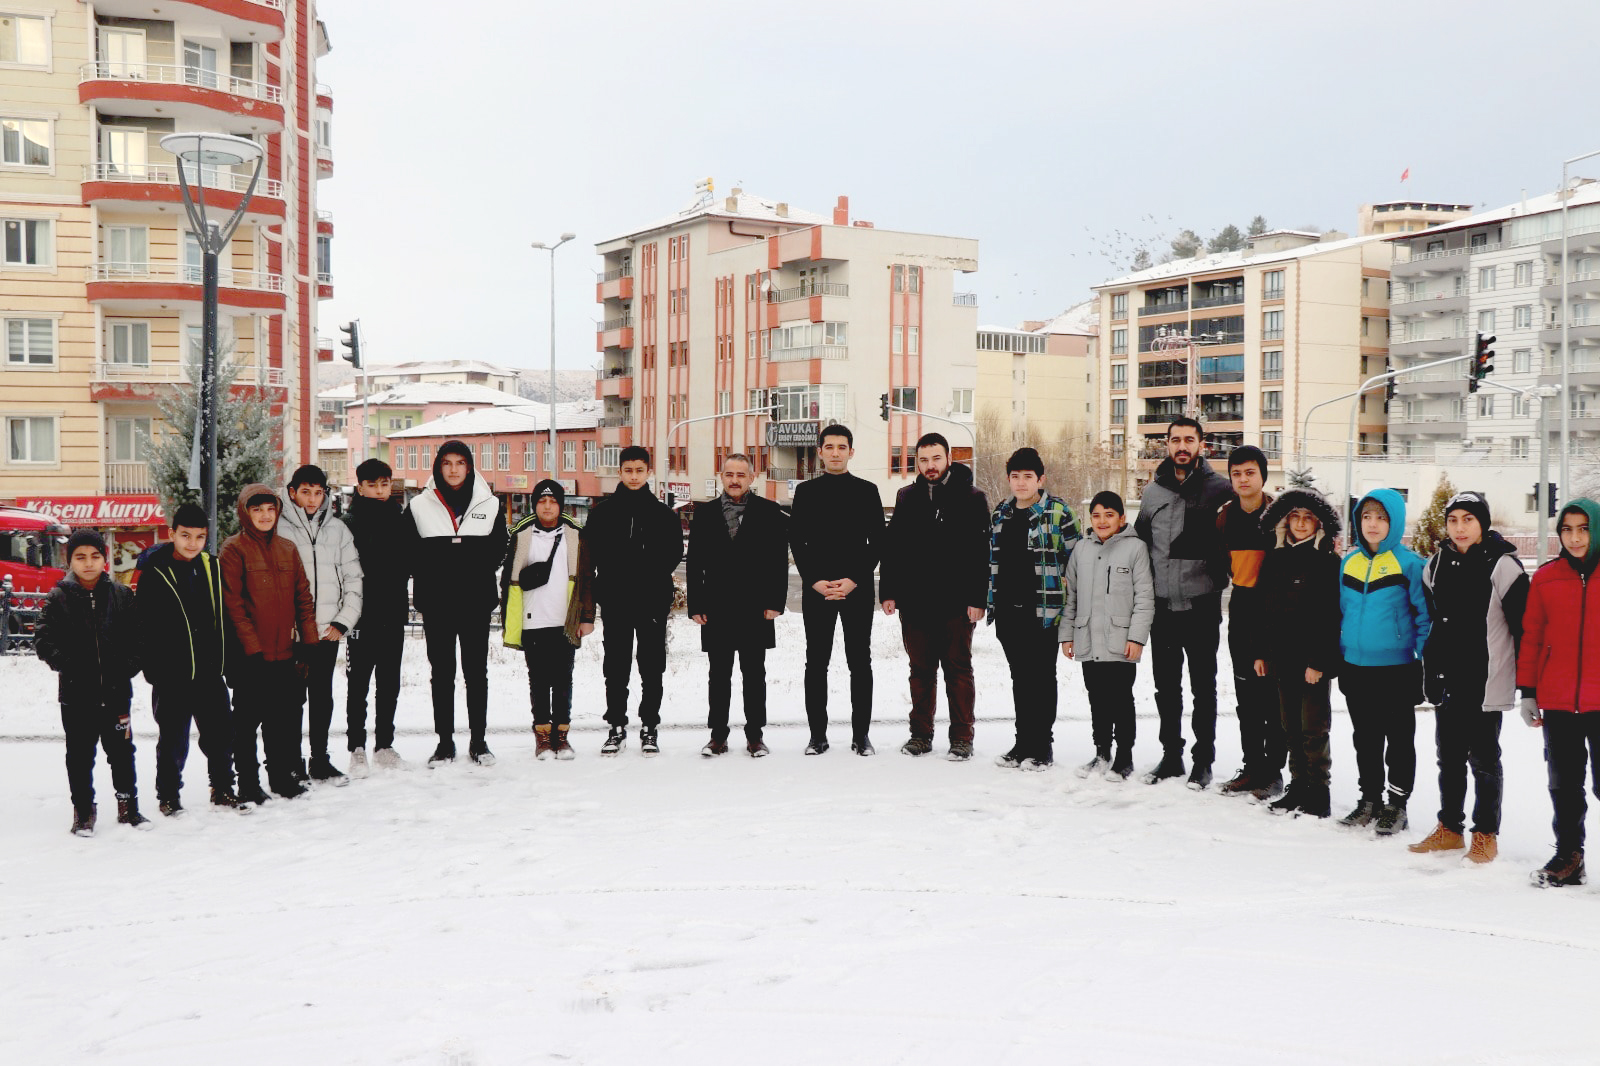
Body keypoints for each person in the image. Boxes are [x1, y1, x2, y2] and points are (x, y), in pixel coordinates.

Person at [1410, 491, 1528, 864]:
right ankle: (1450, 828)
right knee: (1448, 758)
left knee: (1484, 760)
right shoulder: (1436, 565)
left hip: (1485, 679)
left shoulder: (1503, 566)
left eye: (1468, 520)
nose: (1459, 528)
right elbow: (1434, 624)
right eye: (1453, 520)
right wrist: (1430, 672)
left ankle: (1485, 834)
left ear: (1482, 524)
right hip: (1449, 679)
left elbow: (1522, 629)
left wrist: (1527, 686)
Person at [1134, 417, 1232, 788]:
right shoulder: (1153, 492)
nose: (1182, 446)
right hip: (1163, 608)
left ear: (1201, 445)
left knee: (1203, 688)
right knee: (1166, 687)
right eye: (1175, 440)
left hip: (1202, 605)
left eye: (1189, 440)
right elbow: (1142, 544)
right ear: (1167, 444)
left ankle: (1203, 761)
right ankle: (1171, 756)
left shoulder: (1219, 491)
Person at [881, 434, 990, 761]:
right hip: (915, 604)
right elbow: (894, 548)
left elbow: (980, 553)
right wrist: (889, 591)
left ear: (948, 459)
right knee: (920, 671)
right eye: (924, 460)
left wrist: (977, 599)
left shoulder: (972, 498)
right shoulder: (906, 497)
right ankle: (920, 734)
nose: (930, 466)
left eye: (936, 459)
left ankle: (962, 737)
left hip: (956, 605)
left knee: (958, 671)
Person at [35, 531, 148, 836]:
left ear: (104, 558)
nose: (88, 563)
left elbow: (139, 639)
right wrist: (69, 667)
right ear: (69, 560)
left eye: (95, 556)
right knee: (80, 756)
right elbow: (44, 640)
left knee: (122, 753)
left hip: (116, 695)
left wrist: (126, 668)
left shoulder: (122, 596)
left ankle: (129, 807)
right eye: (80, 557)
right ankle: (84, 811)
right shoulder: (58, 597)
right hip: (76, 696)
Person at [136, 503, 243, 815]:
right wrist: (153, 668)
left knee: (222, 734)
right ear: (172, 534)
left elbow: (224, 616)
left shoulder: (212, 566)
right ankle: (168, 795)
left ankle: (222, 787)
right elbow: (143, 624)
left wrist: (226, 661)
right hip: (172, 675)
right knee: (173, 740)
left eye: (199, 537)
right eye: (185, 535)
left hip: (209, 672)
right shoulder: (155, 571)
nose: (192, 543)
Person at [1336, 489, 1431, 835]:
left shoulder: (1410, 564)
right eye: (1366, 516)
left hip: (1397, 669)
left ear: (1394, 522)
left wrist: (1422, 662)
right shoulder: (1349, 562)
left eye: (1380, 517)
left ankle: (1397, 804)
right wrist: (1341, 654)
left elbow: (1424, 618)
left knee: (1399, 741)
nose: (1372, 524)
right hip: (1356, 667)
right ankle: (1370, 799)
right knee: (1366, 739)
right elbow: (1341, 613)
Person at [408, 441, 508, 766]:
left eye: (460, 463)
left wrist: (463, 564)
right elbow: (408, 552)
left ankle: (479, 743)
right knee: (442, 674)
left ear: (469, 466)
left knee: (476, 673)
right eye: (447, 463)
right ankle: (445, 743)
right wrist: (441, 567)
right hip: (437, 605)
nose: (453, 469)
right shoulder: (419, 506)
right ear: (438, 466)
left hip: (475, 603)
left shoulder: (489, 505)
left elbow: (498, 550)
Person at [580, 445, 683, 756]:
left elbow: (672, 555)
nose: (634, 476)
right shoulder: (602, 514)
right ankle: (616, 726)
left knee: (652, 667)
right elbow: (591, 556)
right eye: (629, 470)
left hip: (652, 602)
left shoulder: (664, 514)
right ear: (620, 472)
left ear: (648, 472)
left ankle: (650, 726)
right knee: (616, 666)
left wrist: (646, 577)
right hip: (615, 602)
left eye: (640, 470)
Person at [1518, 498, 1600, 887]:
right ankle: (1569, 856)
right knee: (1564, 783)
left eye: (1583, 528)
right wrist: (1529, 691)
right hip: (1559, 700)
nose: (1575, 537)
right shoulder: (1547, 577)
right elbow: (1532, 637)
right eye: (1567, 529)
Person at [790, 424, 884, 755]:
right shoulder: (805, 492)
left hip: (856, 590)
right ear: (820, 452)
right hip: (818, 591)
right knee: (816, 663)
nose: (835, 453)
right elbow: (797, 542)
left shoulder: (868, 491)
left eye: (841, 447)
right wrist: (815, 580)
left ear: (851, 452)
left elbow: (877, 543)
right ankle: (818, 735)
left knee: (860, 663)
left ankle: (862, 736)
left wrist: (854, 580)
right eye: (828, 447)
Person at [686, 454, 788, 757]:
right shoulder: (705, 514)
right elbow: (694, 564)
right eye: (729, 474)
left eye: (741, 475)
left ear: (751, 477)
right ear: (721, 476)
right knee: (718, 675)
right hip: (716, 608)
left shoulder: (770, 512)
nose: (734, 480)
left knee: (755, 674)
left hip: (756, 608)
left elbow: (778, 562)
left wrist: (775, 603)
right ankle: (717, 736)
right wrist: (696, 605)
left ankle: (755, 735)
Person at [221, 485, 319, 801]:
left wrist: (308, 643)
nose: (265, 515)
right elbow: (233, 604)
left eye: (270, 509)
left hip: (284, 654)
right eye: (257, 509)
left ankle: (280, 778)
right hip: (251, 657)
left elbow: (303, 598)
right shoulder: (234, 550)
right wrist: (252, 649)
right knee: (247, 724)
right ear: (245, 513)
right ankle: (248, 783)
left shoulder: (287, 549)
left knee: (279, 721)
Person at [986, 447, 1081, 770]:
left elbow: (1076, 563)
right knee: (1020, 678)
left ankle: (1042, 746)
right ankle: (1022, 742)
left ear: (1040, 479)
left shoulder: (1059, 512)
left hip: (1044, 611)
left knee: (1041, 678)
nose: (1021, 483)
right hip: (1008, 611)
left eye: (1028, 477)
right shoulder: (1001, 513)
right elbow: (992, 560)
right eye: (1015, 477)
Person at [1254, 488, 1342, 819]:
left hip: (1311, 663)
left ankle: (1318, 792)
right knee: (1289, 727)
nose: (1301, 523)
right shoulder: (1274, 557)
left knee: (1313, 729)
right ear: (1285, 520)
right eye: (1295, 517)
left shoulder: (1327, 561)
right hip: (1281, 657)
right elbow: (1263, 610)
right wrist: (1261, 652)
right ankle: (1298, 786)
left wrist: (1318, 661)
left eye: (1308, 517)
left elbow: (1331, 615)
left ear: (1318, 522)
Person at [277, 464, 363, 785]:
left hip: (327, 632)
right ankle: (293, 761)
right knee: (292, 700)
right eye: (305, 492)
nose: (312, 499)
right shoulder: (281, 529)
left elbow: (353, 579)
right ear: (292, 493)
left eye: (318, 492)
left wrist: (343, 621)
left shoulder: (337, 530)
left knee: (322, 698)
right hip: (295, 634)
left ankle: (320, 759)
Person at [1063, 491, 1153, 780]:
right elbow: (1072, 597)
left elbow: (1144, 598)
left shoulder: (1135, 549)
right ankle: (1102, 753)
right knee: (1097, 698)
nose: (1102, 521)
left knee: (1121, 699)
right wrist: (1067, 635)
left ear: (1121, 518)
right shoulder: (1081, 549)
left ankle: (1124, 758)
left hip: (1120, 641)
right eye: (1097, 515)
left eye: (1109, 514)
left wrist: (1137, 639)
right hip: (1088, 637)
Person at [501, 479, 594, 759]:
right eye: (542, 501)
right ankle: (542, 735)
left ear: (561, 505)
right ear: (534, 505)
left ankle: (562, 735)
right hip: (533, 621)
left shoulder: (575, 535)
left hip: (565, 620)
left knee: (564, 679)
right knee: (539, 681)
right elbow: (507, 580)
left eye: (553, 501)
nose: (548, 506)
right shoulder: (521, 535)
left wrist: (587, 616)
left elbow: (587, 578)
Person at [1214, 445, 1284, 800]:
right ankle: (1252, 766)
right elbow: (1225, 563)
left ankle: (1273, 773)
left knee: (1271, 696)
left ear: (1262, 476)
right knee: (1246, 696)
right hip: (1241, 607)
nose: (1243, 479)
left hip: (1272, 609)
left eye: (1249, 473)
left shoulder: (1279, 515)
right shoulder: (1225, 517)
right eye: (1236, 473)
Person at [342, 459, 412, 772]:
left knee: (388, 683)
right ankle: (357, 748)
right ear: (360, 487)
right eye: (372, 484)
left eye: (384, 484)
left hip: (392, 614)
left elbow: (409, 563)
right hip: (359, 617)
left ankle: (384, 744)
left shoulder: (400, 519)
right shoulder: (348, 522)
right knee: (358, 684)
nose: (379, 490)